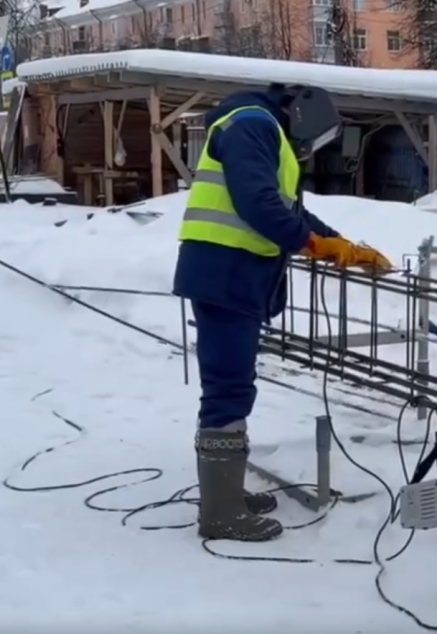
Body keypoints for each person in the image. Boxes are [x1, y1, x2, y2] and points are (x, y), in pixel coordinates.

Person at [173, 84, 392, 543]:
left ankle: (226, 495)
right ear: (304, 117)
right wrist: (313, 244)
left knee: (232, 386)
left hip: (230, 274)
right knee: (228, 389)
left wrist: (340, 246)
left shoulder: (259, 126)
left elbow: (290, 210)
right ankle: (221, 513)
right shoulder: (254, 125)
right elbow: (259, 204)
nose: (309, 150)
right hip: (226, 273)